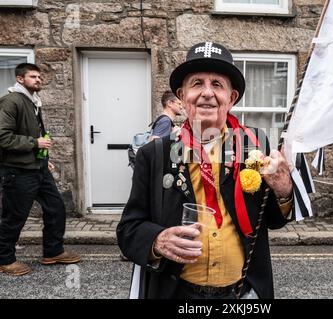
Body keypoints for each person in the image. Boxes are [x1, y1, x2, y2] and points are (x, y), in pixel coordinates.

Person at [117, 42, 295, 299]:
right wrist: (157, 241)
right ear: (181, 95)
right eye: (197, 83)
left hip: (242, 293)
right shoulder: (153, 155)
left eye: (217, 84)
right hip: (177, 293)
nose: (207, 93)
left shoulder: (255, 146)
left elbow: (274, 221)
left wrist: (284, 191)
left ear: (231, 98)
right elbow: (128, 230)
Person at [0, 63, 80, 276]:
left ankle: (53, 251)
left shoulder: (33, 102)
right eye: (32, 76)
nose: (38, 80)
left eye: (39, 76)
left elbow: (35, 137)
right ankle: (5, 259)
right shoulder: (11, 101)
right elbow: (3, 137)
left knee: (56, 208)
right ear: (19, 79)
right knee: (14, 217)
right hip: (18, 171)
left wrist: (44, 158)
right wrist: (35, 144)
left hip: (38, 168)